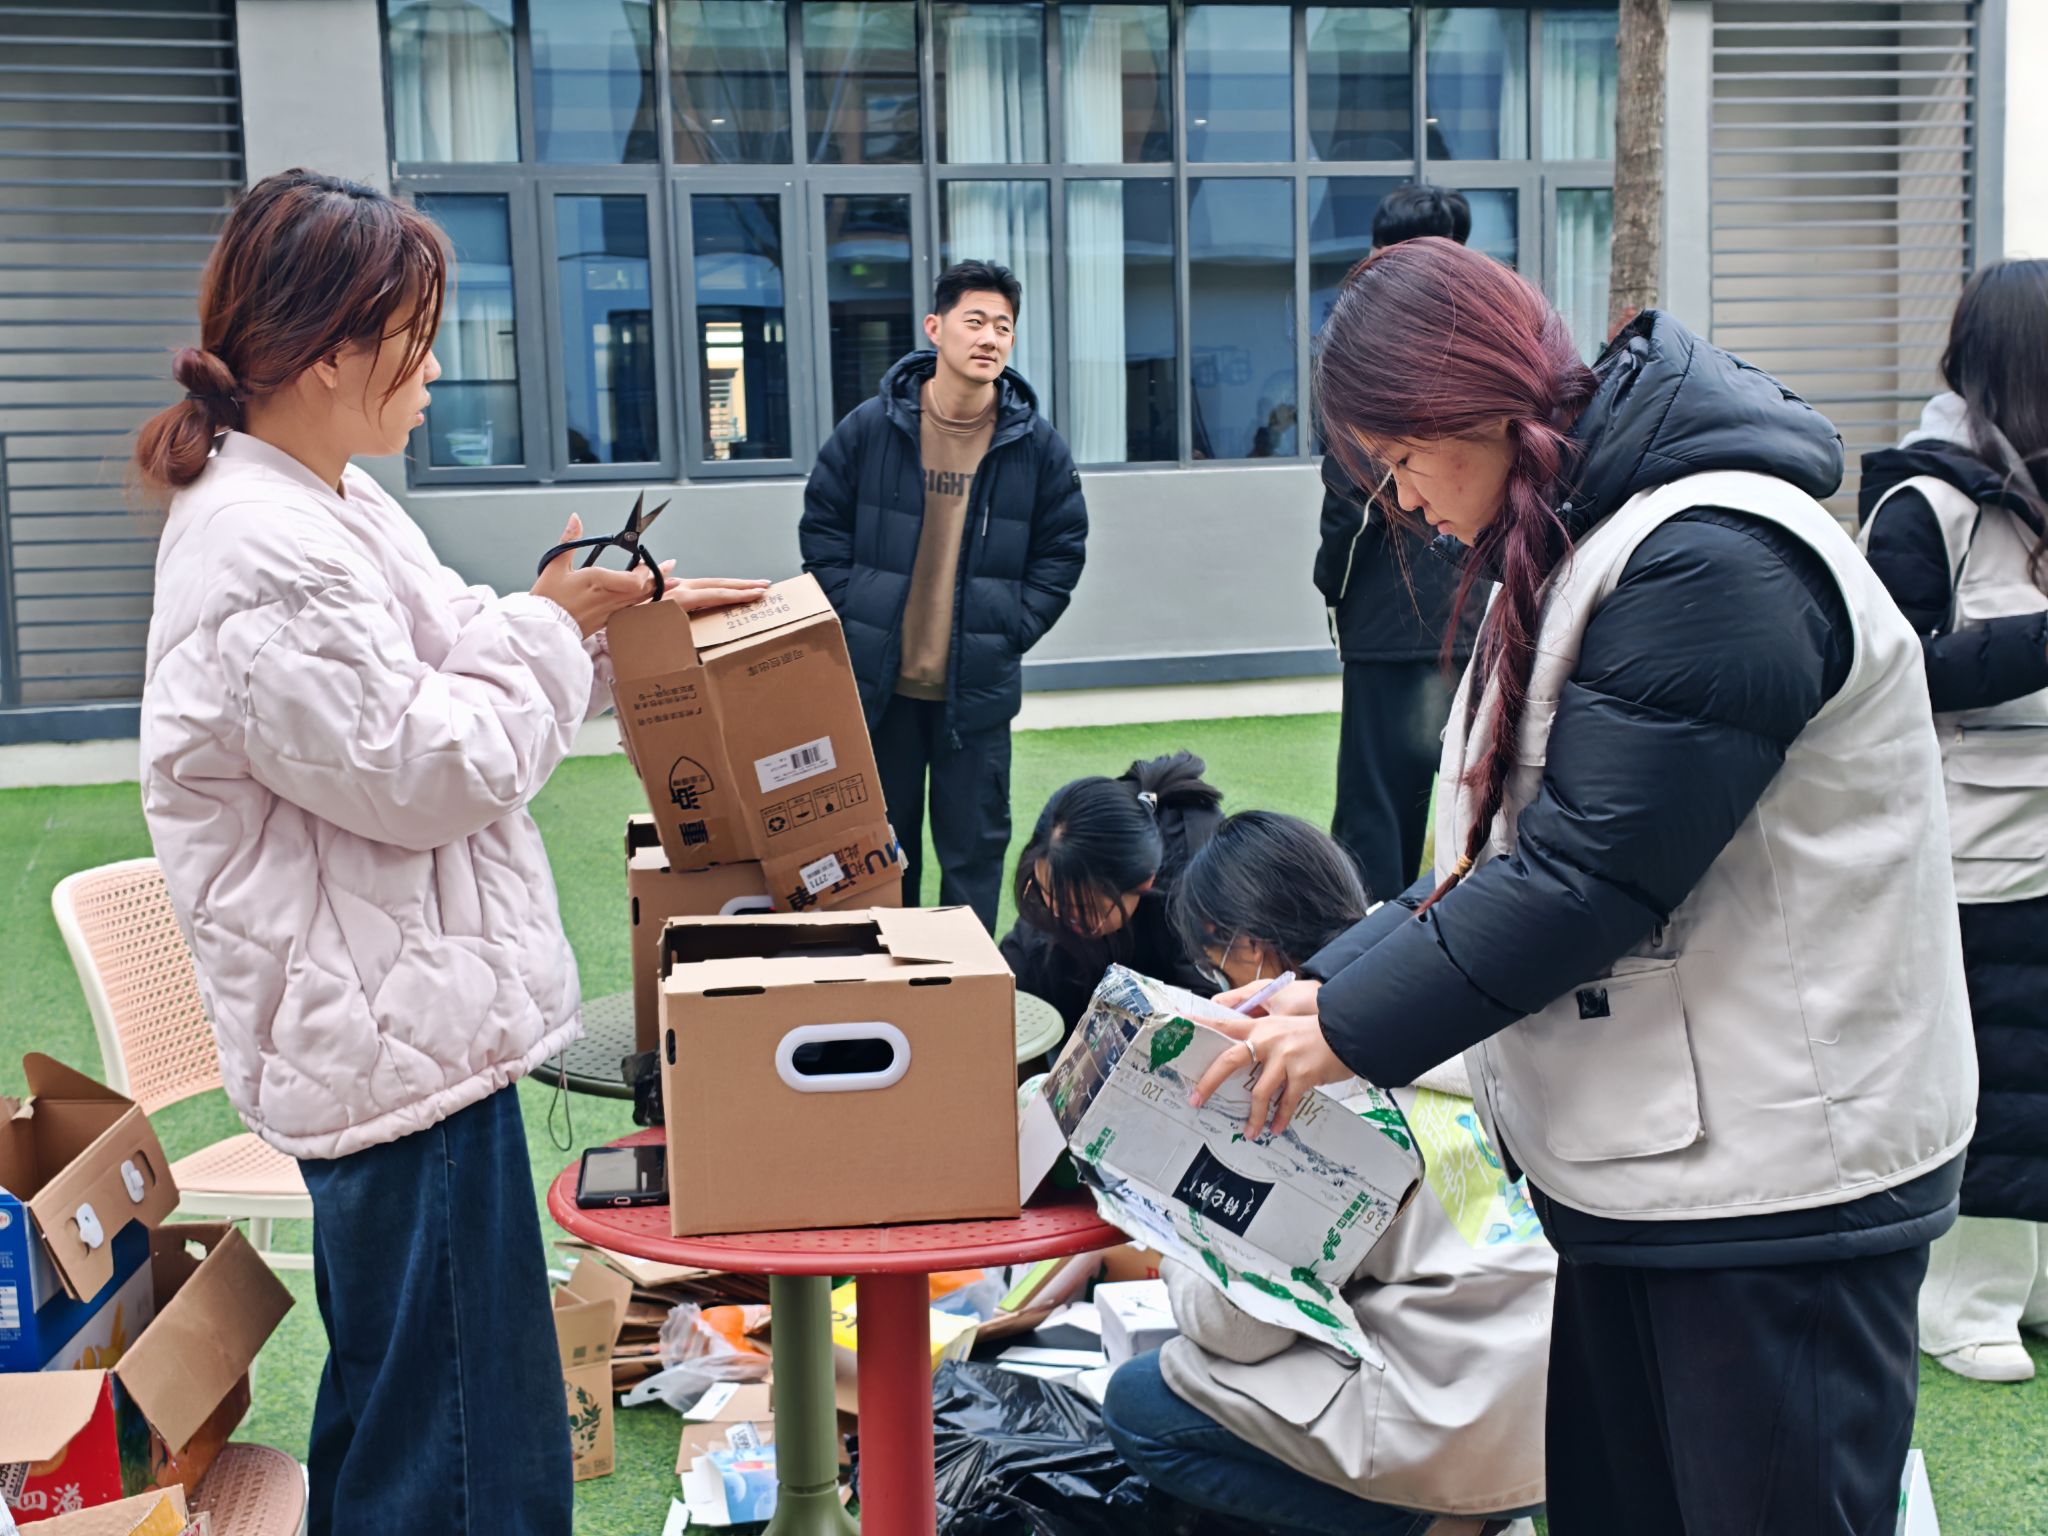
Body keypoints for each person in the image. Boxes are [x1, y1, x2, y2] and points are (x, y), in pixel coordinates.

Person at [1190, 238, 1977, 1534]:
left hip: (1781, 1187)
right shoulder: (1593, 542)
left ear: (1471, 406)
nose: (1402, 505)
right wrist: (1321, 986)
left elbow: (1587, 879)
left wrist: (1345, 1029)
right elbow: (1494, 865)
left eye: (1398, 462)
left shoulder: (1709, 555)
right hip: (1657, 1166)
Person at [132, 170, 766, 1536]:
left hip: (400, 1025)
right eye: (416, 337)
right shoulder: (263, 549)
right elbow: (431, 765)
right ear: (327, 350)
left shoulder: (319, 498)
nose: (434, 370)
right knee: (468, 1450)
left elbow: (452, 649)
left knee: (417, 1410)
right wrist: (554, 625)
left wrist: (609, 631)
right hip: (389, 1048)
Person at [1100, 810, 1552, 1536]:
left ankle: (1437, 1525)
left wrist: (1177, 1223)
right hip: (1563, 1401)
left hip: (1459, 1416)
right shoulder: (1452, 988)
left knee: (1141, 1403)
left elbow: (1239, 1332)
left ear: (1249, 949)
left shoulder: (1297, 1081)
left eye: (1213, 966)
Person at [1858, 259, 2048, 1384]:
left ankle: (2028, 1287)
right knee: (2000, 1072)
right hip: (1977, 846)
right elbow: (1892, 673)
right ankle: (1964, 1299)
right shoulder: (1922, 502)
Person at [800, 260, 1089, 931]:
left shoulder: (1034, 445)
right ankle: (885, 980)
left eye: (1003, 327)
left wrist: (1012, 627)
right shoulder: (872, 428)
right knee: (882, 856)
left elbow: (1063, 547)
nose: (990, 338)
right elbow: (822, 526)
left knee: (973, 858)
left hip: (976, 697)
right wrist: (856, 612)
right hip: (882, 693)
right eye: (975, 321)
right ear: (935, 328)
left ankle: (959, 985)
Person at [1317, 184, 1482, 898]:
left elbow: (1350, 507)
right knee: (1474, 797)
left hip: (1391, 619)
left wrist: (1333, 590)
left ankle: (1362, 948)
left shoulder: (1376, 350)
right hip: (1476, 610)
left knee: (1376, 813)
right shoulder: (1483, 345)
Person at [999, 751, 1223, 1036]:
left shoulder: (1194, 890)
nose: (1058, 912)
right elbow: (1016, 967)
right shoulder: (1061, 875)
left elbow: (1209, 1012)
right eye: (1047, 892)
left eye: (1080, 908)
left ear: (1144, 883)